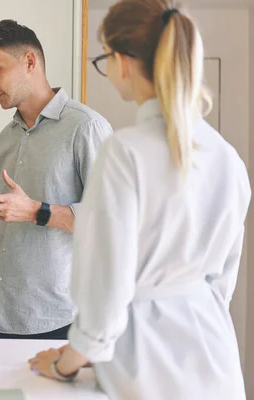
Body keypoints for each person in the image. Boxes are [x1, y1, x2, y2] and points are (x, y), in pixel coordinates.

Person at [28, 2, 250, 399]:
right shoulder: (228, 157)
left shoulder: (125, 152)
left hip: (144, 368)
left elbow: (106, 287)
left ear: (124, 62)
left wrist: (65, 363)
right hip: (216, 362)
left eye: (105, 58)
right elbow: (222, 285)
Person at [0, 20, 112, 339]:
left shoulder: (85, 127)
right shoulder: (6, 138)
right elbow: (14, 223)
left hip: (58, 319)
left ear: (29, 61)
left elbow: (109, 221)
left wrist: (34, 211)